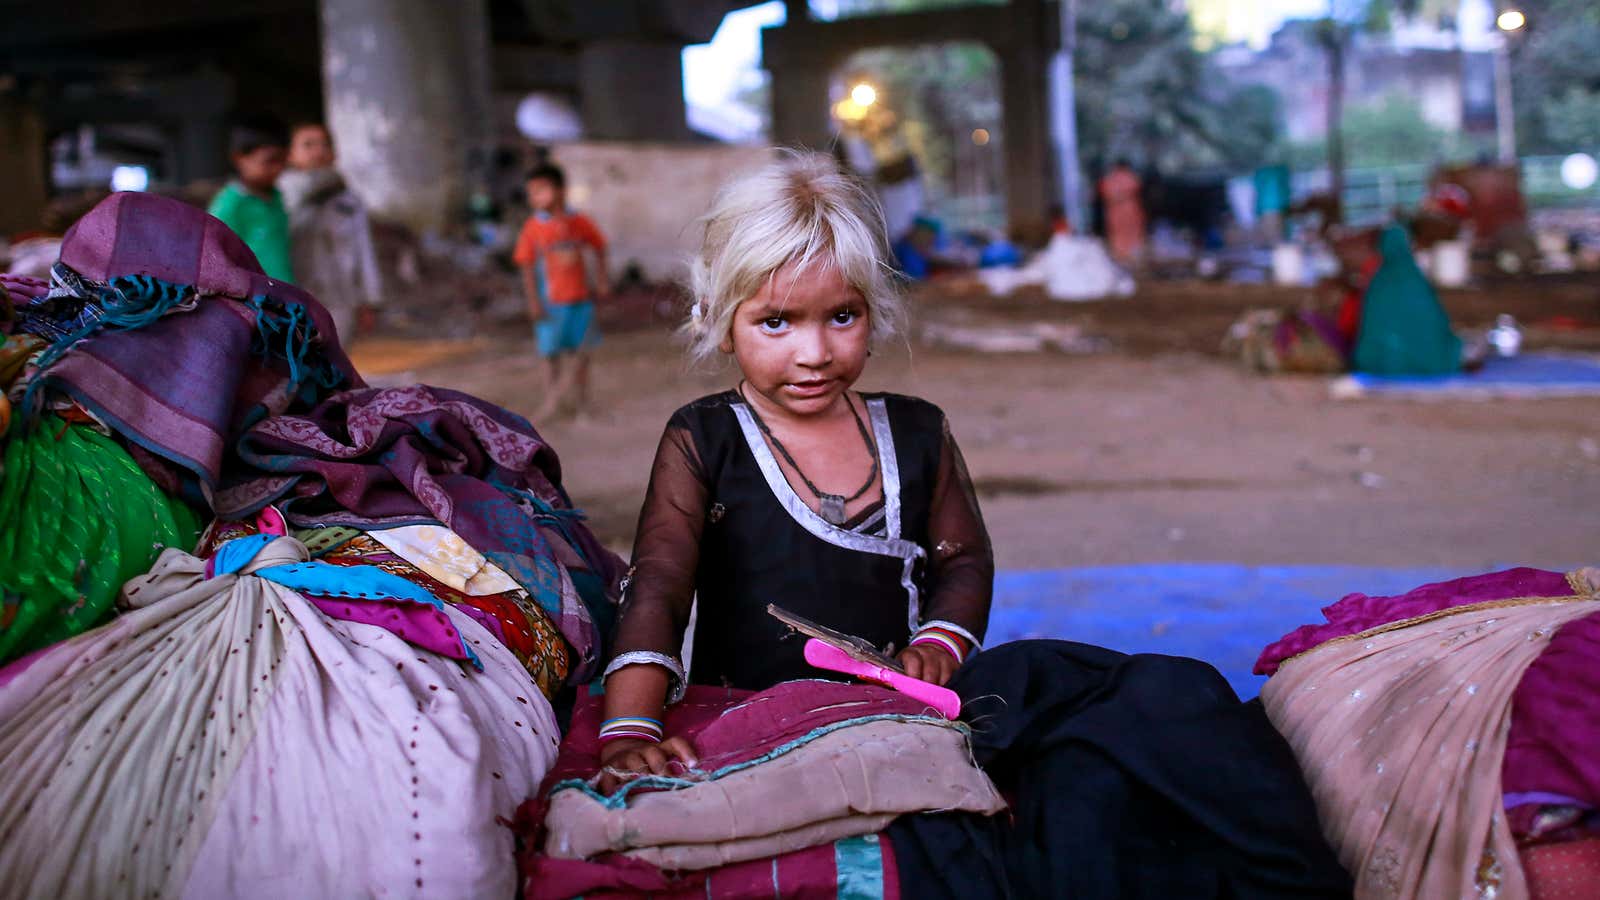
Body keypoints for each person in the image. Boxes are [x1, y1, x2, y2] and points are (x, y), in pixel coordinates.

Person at [587, 153, 1351, 898]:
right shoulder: (704, 439)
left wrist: (936, 647)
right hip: (761, 710)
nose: (814, 352)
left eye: (842, 316)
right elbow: (658, 582)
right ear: (723, 324)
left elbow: (963, 560)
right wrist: (627, 731)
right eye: (776, 322)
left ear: (874, 310)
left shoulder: (918, 432)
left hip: (908, 711)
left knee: (1145, 707)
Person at [513, 163, 609, 422]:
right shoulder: (533, 228)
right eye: (531, 192)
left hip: (580, 300)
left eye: (540, 190)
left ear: (560, 190)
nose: (535, 197)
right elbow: (526, 266)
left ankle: (582, 403)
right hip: (549, 304)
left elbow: (599, 247)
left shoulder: (579, 222)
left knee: (581, 356)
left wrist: (601, 280)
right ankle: (552, 402)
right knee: (550, 355)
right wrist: (533, 301)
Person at [278, 122, 383, 346]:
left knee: (334, 361)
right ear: (290, 154)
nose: (318, 151)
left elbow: (364, 252)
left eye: (324, 144)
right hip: (294, 294)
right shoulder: (279, 196)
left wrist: (369, 300)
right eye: (308, 145)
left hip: (340, 297)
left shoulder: (349, 201)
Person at [1351, 225, 1462, 376]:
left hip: (1380, 362)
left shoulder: (1379, 282)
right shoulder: (1415, 280)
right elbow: (1435, 321)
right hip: (1426, 361)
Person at [208, 116, 294, 283]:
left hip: (284, 294)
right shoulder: (231, 205)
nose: (278, 169)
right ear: (239, 158)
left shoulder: (276, 197)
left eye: (282, 161)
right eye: (270, 161)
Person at [1098, 158, 1147, 265]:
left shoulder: (1109, 179)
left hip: (1115, 212)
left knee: (1119, 237)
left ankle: (1122, 261)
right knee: (1130, 236)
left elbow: (1104, 193)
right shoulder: (1131, 177)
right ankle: (1132, 261)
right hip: (1129, 211)